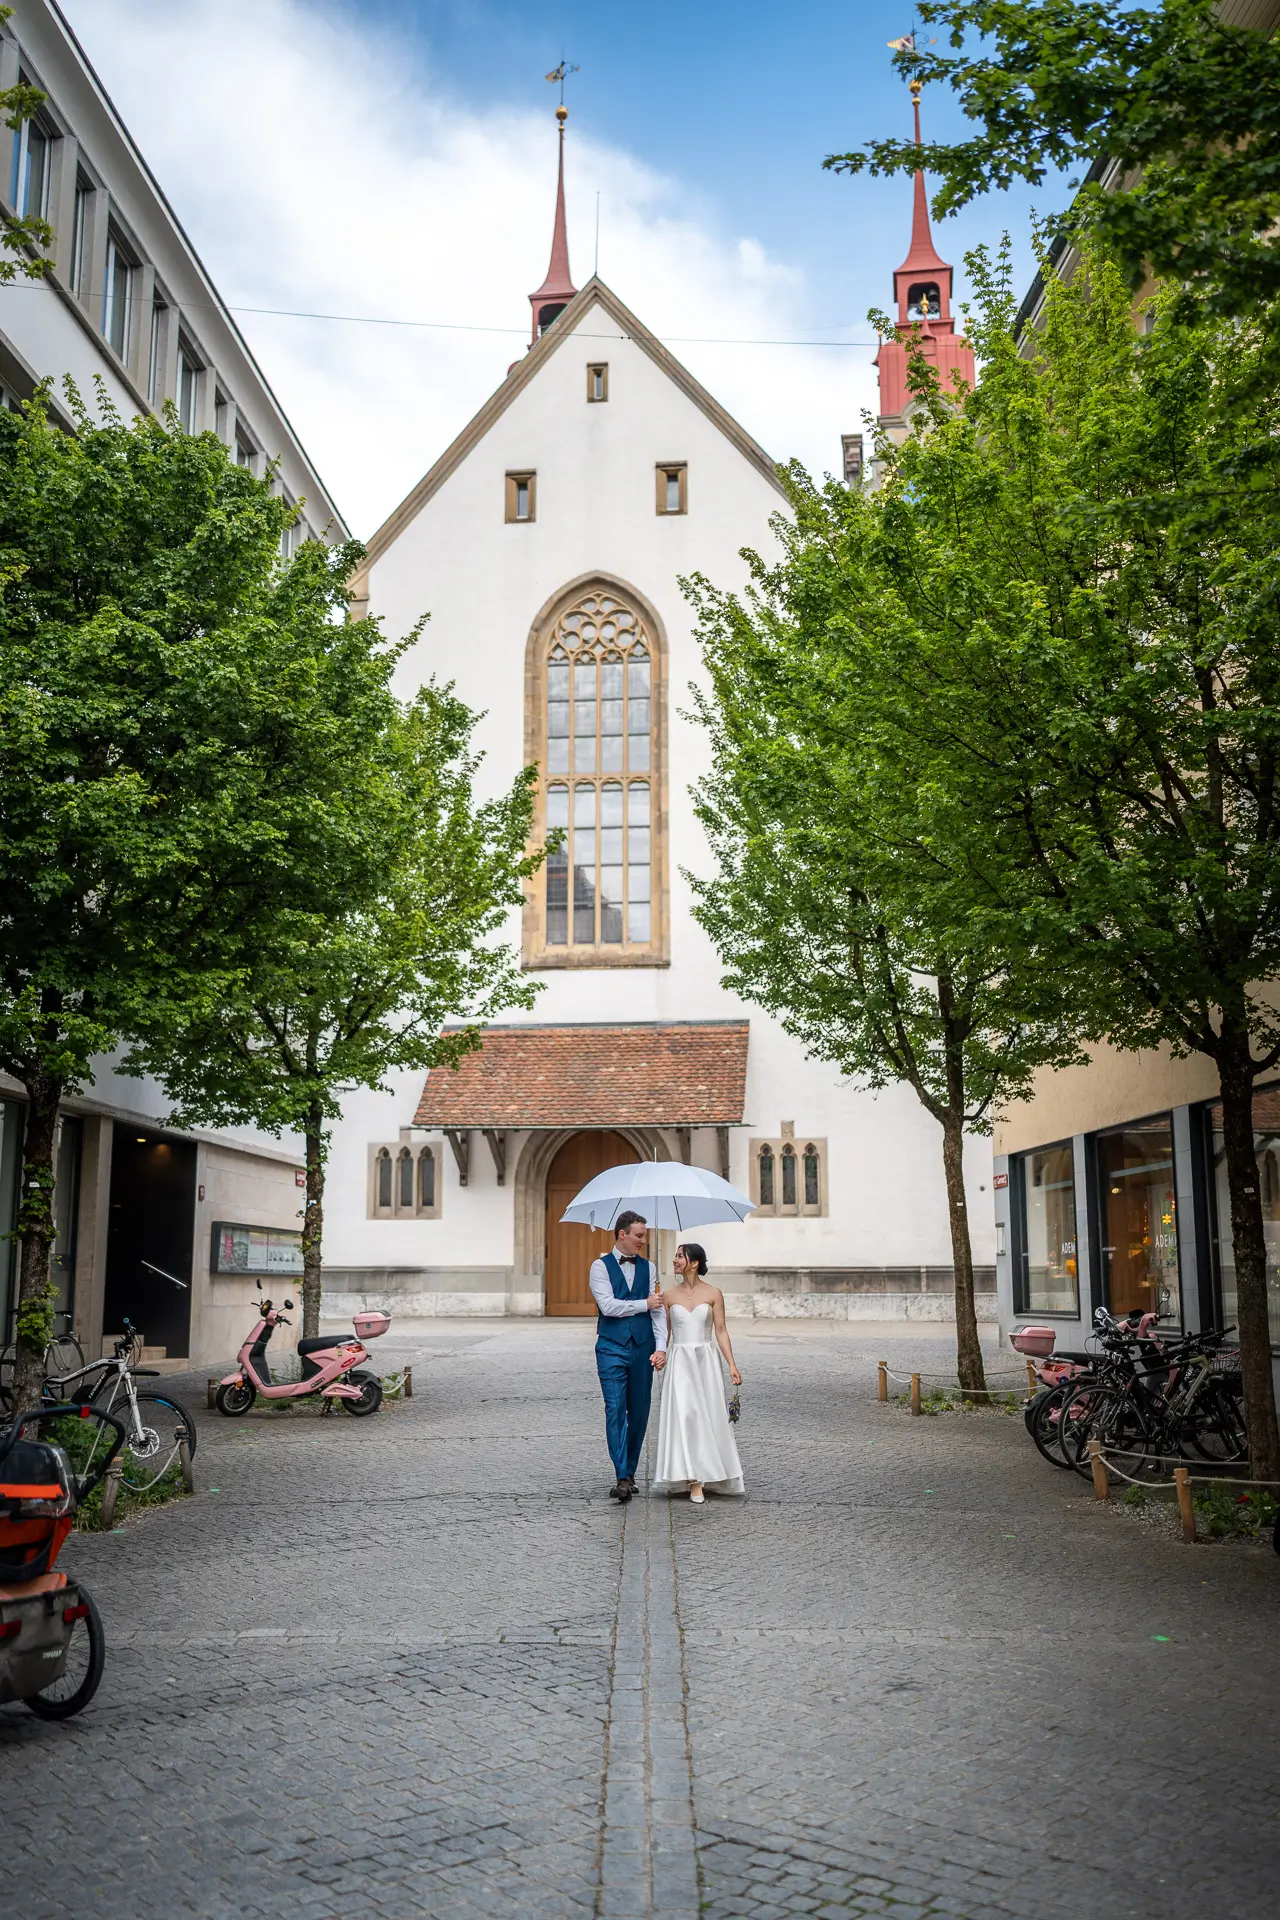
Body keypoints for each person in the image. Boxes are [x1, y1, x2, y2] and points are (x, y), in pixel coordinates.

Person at [651, 1243, 744, 1503]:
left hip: (706, 1361)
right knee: (685, 1415)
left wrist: (732, 1365)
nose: (675, 1260)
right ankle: (692, 1479)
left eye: (680, 1256)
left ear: (694, 1263)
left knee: (706, 1415)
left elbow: (721, 1331)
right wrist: (660, 1354)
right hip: (680, 1361)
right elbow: (664, 1334)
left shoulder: (713, 1293)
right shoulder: (667, 1296)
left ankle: (706, 1473)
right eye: (675, 1255)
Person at [589, 1210, 667, 1504]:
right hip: (611, 1347)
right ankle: (621, 1475)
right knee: (614, 1408)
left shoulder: (651, 1268)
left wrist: (661, 1347)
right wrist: (643, 1303)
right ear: (622, 1234)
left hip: (644, 1348)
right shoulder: (599, 1267)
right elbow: (608, 1307)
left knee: (639, 1411)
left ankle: (631, 1471)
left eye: (645, 1235)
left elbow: (658, 1311)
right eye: (639, 1235)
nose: (643, 1241)